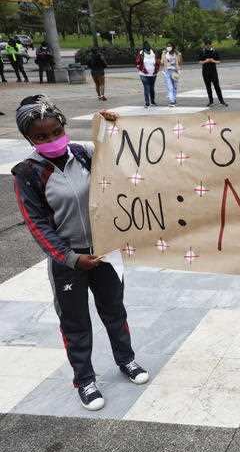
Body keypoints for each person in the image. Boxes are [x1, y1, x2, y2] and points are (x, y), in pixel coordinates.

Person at [12, 96, 149, 411]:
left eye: (56, 131)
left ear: (64, 127)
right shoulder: (28, 174)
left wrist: (112, 128)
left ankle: (126, 360)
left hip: (105, 254)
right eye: (41, 137)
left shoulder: (84, 155)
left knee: (114, 311)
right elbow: (37, 226)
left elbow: (122, 160)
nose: (51, 140)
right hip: (68, 263)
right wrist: (71, 258)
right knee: (74, 323)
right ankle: (84, 380)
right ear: (29, 139)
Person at [200, 39, 227, 107]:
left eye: (209, 45)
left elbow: (219, 61)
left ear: (211, 45)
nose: (207, 46)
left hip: (213, 71)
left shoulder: (214, 51)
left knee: (217, 86)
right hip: (205, 72)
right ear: (205, 45)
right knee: (208, 87)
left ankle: (221, 101)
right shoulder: (202, 51)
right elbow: (199, 61)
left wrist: (213, 60)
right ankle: (211, 101)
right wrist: (205, 61)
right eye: (206, 45)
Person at [135, 41, 159, 108]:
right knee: (146, 87)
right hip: (143, 74)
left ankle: (152, 101)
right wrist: (140, 68)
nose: (147, 47)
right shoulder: (141, 53)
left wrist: (156, 69)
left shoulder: (153, 52)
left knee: (151, 88)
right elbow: (137, 62)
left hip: (153, 74)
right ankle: (147, 102)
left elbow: (157, 61)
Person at [160, 42, 182, 107]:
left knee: (174, 87)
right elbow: (161, 62)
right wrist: (163, 55)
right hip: (167, 71)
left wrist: (179, 55)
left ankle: (174, 99)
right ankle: (172, 101)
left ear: (172, 47)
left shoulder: (176, 53)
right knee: (170, 87)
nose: (168, 47)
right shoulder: (164, 53)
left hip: (175, 71)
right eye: (167, 46)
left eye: (169, 46)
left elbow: (180, 62)